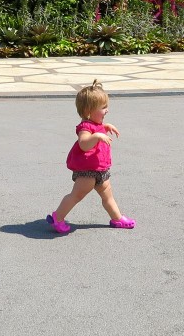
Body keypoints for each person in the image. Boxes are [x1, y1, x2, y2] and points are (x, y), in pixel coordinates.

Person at [46, 80, 135, 234]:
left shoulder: (97, 123)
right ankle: (58, 217)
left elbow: (98, 129)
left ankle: (117, 218)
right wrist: (98, 136)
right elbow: (84, 144)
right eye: (103, 107)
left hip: (101, 169)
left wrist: (105, 127)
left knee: (108, 196)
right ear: (88, 111)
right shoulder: (85, 127)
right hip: (87, 171)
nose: (107, 110)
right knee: (76, 195)